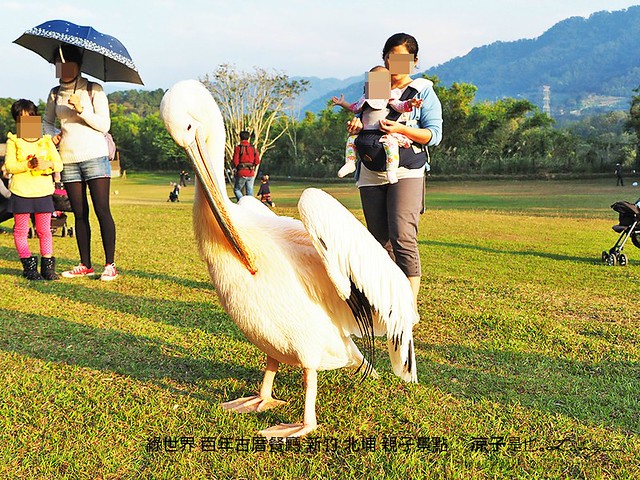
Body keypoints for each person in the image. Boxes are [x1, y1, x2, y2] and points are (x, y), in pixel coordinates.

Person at [346, 33, 443, 307]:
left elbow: (433, 135)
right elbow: (361, 117)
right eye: (392, 58)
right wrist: (355, 127)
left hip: (406, 171)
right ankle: (385, 301)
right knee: (378, 240)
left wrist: (401, 128)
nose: (397, 65)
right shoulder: (376, 83)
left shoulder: (422, 91)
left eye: (404, 59)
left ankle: (408, 307)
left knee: (402, 235)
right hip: (370, 171)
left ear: (414, 61)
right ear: (385, 58)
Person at [44, 44, 118, 281]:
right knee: (79, 213)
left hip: (95, 157)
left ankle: (110, 264)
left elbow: (104, 125)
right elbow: (45, 122)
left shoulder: (94, 89)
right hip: (68, 159)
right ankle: (85, 264)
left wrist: (83, 110)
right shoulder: (54, 93)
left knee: (102, 210)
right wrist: (51, 135)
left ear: (78, 65)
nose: (63, 69)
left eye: (67, 64)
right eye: (59, 65)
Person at [332, 65, 423, 184]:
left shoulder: (389, 97)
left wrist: (410, 103)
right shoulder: (365, 99)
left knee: (391, 145)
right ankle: (350, 162)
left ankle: (391, 170)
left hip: (384, 133)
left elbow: (401, 106)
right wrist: (342, 103)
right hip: (366, 133)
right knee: (351, 140)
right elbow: (354, 108)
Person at [4, 99, 63, 280]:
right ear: (16, 121)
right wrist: (28, 164)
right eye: (22, 118)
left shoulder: (46, 141)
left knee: (44, 230)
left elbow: (59, 164)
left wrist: (48, 164)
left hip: (43, 192)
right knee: (20, 230)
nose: (27, 121)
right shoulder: (13, 141)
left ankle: (48, 267)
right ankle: (29, 266)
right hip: (21, 192)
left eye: (30, 117)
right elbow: (10, 166)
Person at [232, 131, 260, 200]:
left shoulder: (238, 148)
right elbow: (257, 161)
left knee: (237, 190)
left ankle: (242, 202)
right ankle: (250, 205)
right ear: (248, 138)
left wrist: (237, 168)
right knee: (250, 192)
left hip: (242, 172)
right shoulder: (253, 148)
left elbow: (235, 161)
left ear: (240, 137)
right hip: (251, 173)